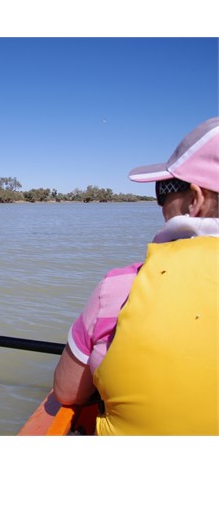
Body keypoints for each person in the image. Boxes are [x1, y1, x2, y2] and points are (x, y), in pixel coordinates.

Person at [53, 117, 219, 435]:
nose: (160, 203)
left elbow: (66, 391)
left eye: (164, 190)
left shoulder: (118, 290)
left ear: (195, 200)